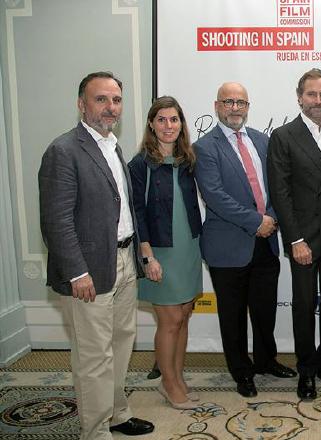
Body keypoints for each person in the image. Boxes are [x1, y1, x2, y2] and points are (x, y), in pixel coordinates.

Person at [38, 71, 154, 439]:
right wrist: (76, 273)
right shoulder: (63, 150)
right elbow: (56, 221)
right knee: (94, 356)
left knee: (120, 344)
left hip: (122, 262)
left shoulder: (112, 146)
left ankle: (117, 414)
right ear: (81, 104)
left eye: (116, 100)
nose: (110, 107)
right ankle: (96, 429)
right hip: (88, 271)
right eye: (101, 99)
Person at [194, 82, 296, 399]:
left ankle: (266, 361)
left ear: (248, 106)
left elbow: (278, 186)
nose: (235, 108)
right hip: (228, 246)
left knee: (265, 311)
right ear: (217, 105)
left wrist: (274, 219)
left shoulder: (263, 141)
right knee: (233, 316)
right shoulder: (204, 148)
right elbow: (215, 196)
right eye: (229, 102)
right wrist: (257, 222)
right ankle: (241, 371)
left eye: (241, 102)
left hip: (266, 242)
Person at [268, 69, 321, 401]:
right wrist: (295, 240)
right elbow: (281, 192)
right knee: (304, 307)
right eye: (312, 95)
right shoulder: (283, 136)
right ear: (299, 97)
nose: (318, 101)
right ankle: (306, 371)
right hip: (302, 239)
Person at [128, 96, 202, 410]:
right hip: (158, 249)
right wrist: (147, 257)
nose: (168, 126)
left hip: (188, 247)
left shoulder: (187, 160)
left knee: (183, 316)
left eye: (174, 120)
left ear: (181, 124)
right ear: (151, 124)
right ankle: (168, 383)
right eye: (162, 120)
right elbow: (136, 213)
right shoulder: (140, 164)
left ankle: (177, 377)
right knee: (169, 320)